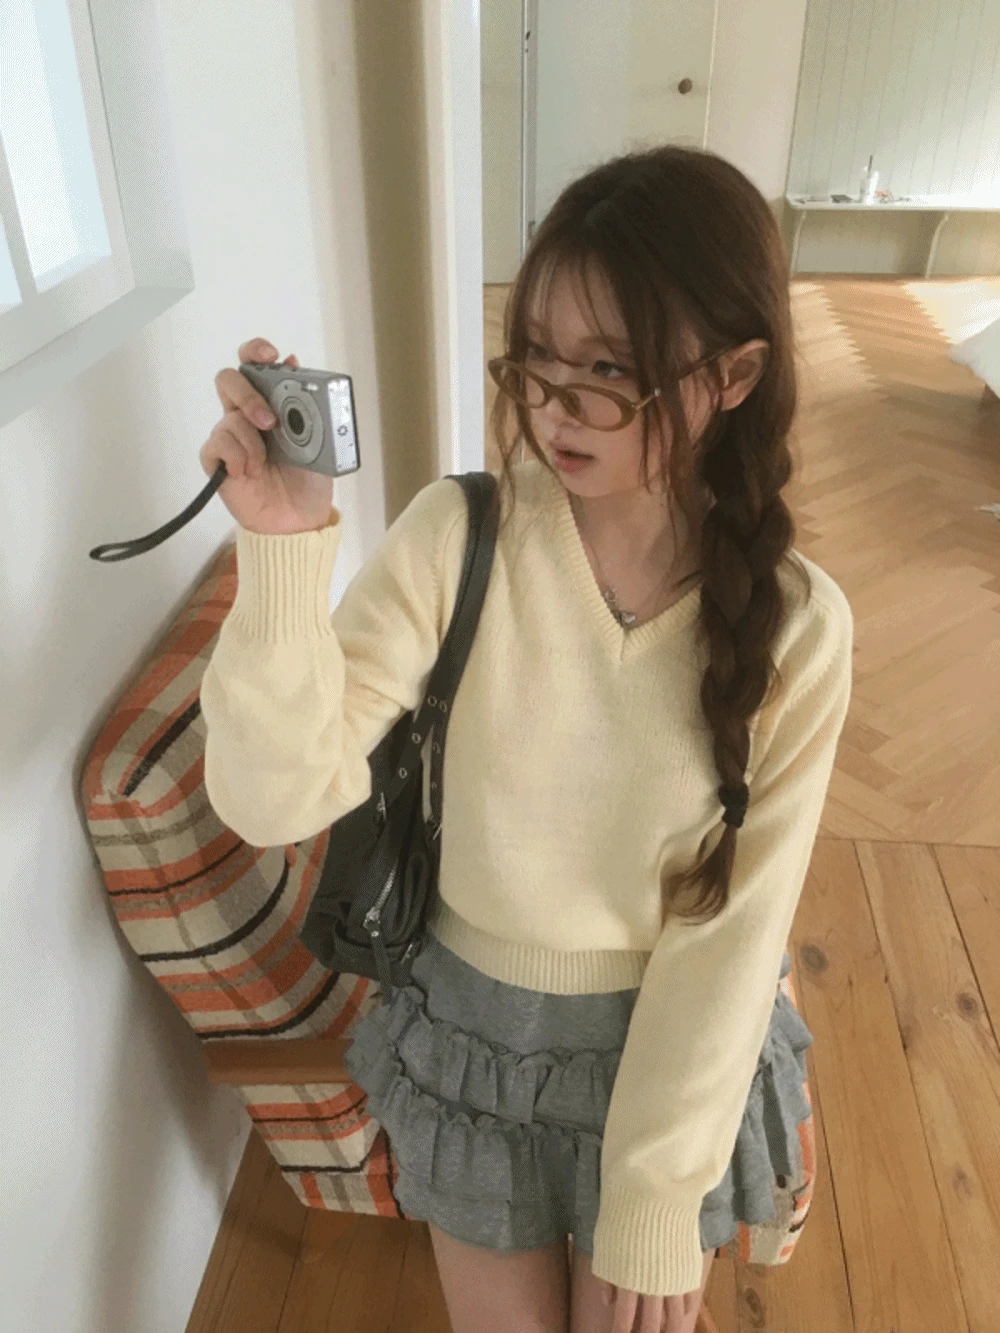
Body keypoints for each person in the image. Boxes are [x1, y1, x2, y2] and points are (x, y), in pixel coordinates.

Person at [198, 144, 854, 1333]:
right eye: (537, 355)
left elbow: (731, 936)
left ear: (735, 374)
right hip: (474, 1045)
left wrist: (655, 1196)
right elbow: (273, 796)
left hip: (667, 1058)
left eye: (607, 368)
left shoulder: (798, 627)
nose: (553, 403)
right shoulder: (459, 535)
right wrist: (283, 546)